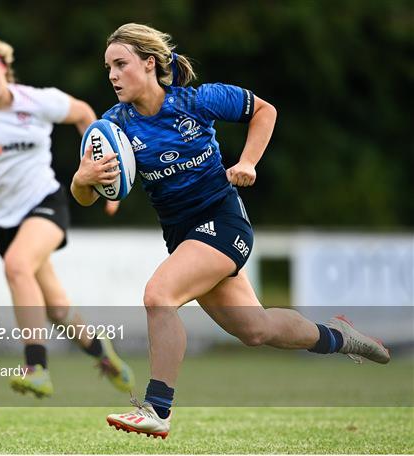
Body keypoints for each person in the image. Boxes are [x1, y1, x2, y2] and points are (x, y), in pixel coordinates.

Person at [71, 23, 390, 438]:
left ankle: (157, 408)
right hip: (184, 237)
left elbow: (265, 110)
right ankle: (339, 336)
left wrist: (248, 162)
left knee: (158, 295)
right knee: (256, 330)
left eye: (120, 64)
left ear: (149, 63)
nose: (111, 75)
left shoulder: (196, 100)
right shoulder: (114, 127)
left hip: (223, 221)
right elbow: (88, 197)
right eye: (107, 67)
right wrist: (82, 179)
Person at [0, 36, 134, 398]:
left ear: (4, 69)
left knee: (17, 266)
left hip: (44, 201)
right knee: (58, 309)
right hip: (0, 220)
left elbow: (85, 117)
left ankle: (37, 368)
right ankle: (103, 352)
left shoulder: (38, 100)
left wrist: (101, 179)